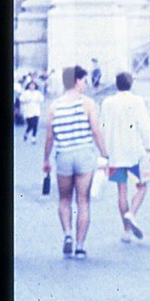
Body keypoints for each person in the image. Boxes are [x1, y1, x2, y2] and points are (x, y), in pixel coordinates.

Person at [42, 65, 108, 258]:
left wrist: (46, 159)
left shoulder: (54, 106)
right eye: (85, 81)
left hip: (63, 156)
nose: (86, 84)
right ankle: (80, 246)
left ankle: (67, 234)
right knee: (83, 201)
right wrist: (104, 153)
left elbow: (49, 137)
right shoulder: (87, 104)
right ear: (77, 81)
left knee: (64, 199)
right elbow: (95, 130)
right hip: (84, 155)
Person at [100, 71, 150, 242]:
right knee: (142, 186)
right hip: (135, 152)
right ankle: (131, 213)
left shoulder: (107, 102)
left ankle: (126, 231)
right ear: (131, 84)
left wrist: (104, 152)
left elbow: (102, 126)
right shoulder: (137, 101)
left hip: (115, 153)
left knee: (121, 191)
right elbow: (144, 125)